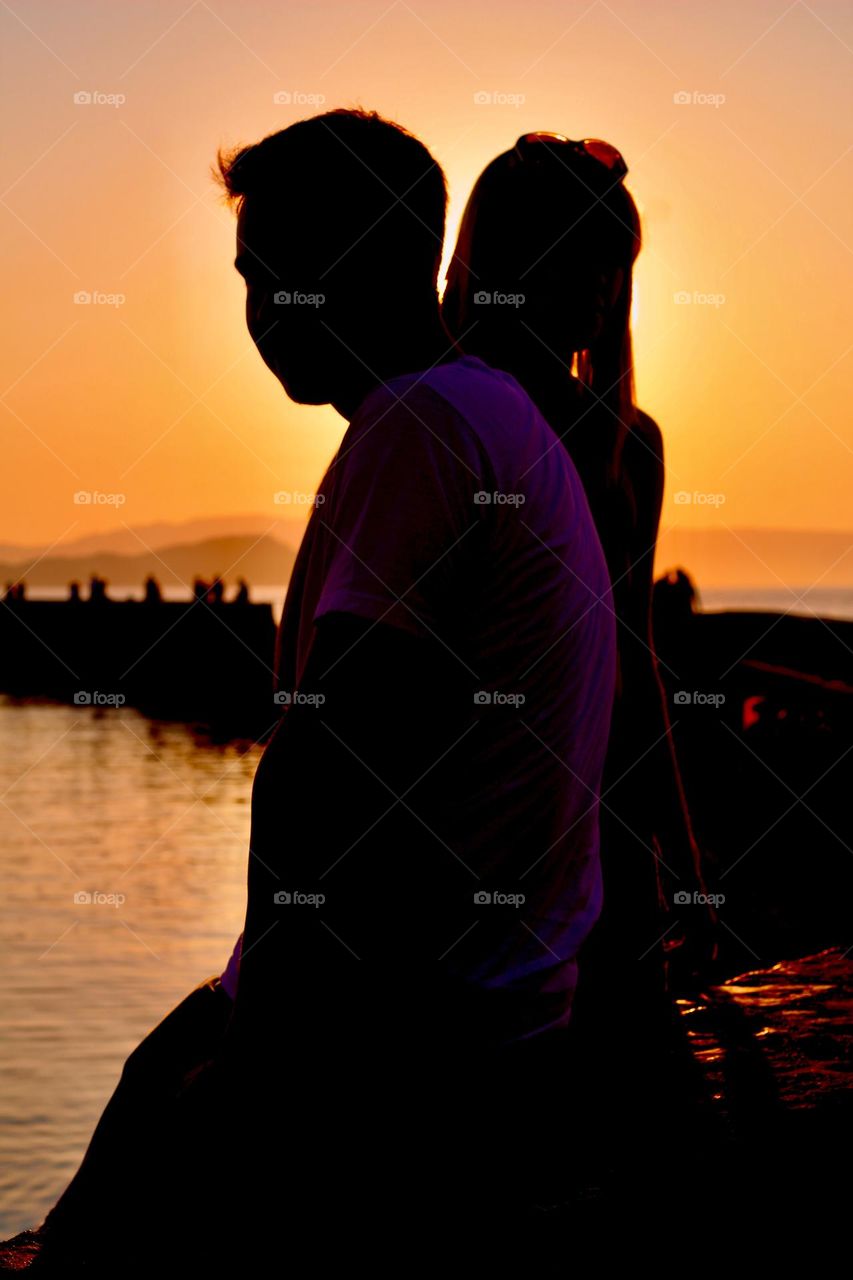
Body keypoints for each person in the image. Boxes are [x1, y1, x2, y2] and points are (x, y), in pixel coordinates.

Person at [32, 111, 617, 1267]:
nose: (253, 314)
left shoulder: (418, 428)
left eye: (265, 277)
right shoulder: (492, 417)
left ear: (340, 266)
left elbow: (338, 786)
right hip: (501, 1014)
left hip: (410, 1053)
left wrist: (248, 1063)